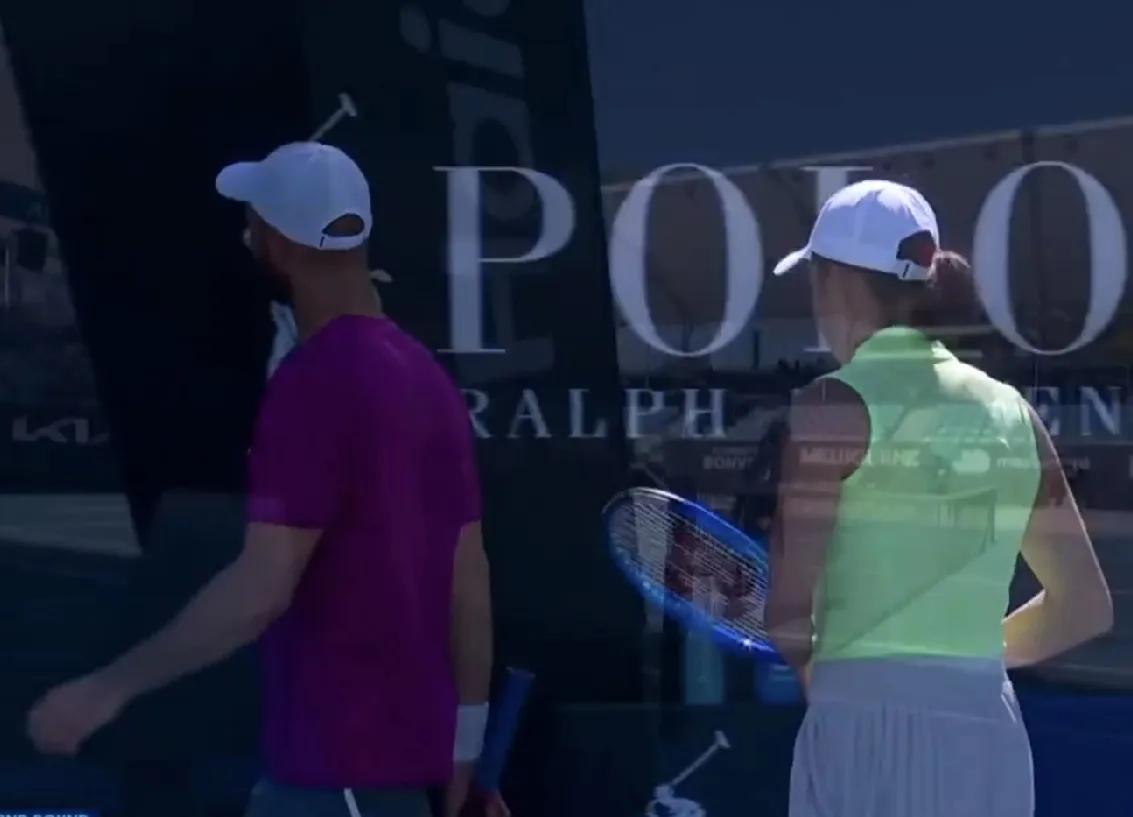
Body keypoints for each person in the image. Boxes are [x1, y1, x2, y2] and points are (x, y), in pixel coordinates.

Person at [27, 142, 507, 817]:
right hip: (399, 779)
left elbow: (260, 589)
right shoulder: (426, 379)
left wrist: (106, 688)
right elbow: (469, 579)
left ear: (277, 244)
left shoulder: (311, 384)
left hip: (331, 778)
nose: (246, 236)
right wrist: (467, 756)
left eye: (252, 222)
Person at [765, 179, 1112, 817]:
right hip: (988, 729)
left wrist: (844, 684)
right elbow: (1084, 607)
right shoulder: (1014, 413)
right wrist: (956, 666)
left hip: (861, 720)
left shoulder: (828, 408)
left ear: (834, 283)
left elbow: (787, 619)